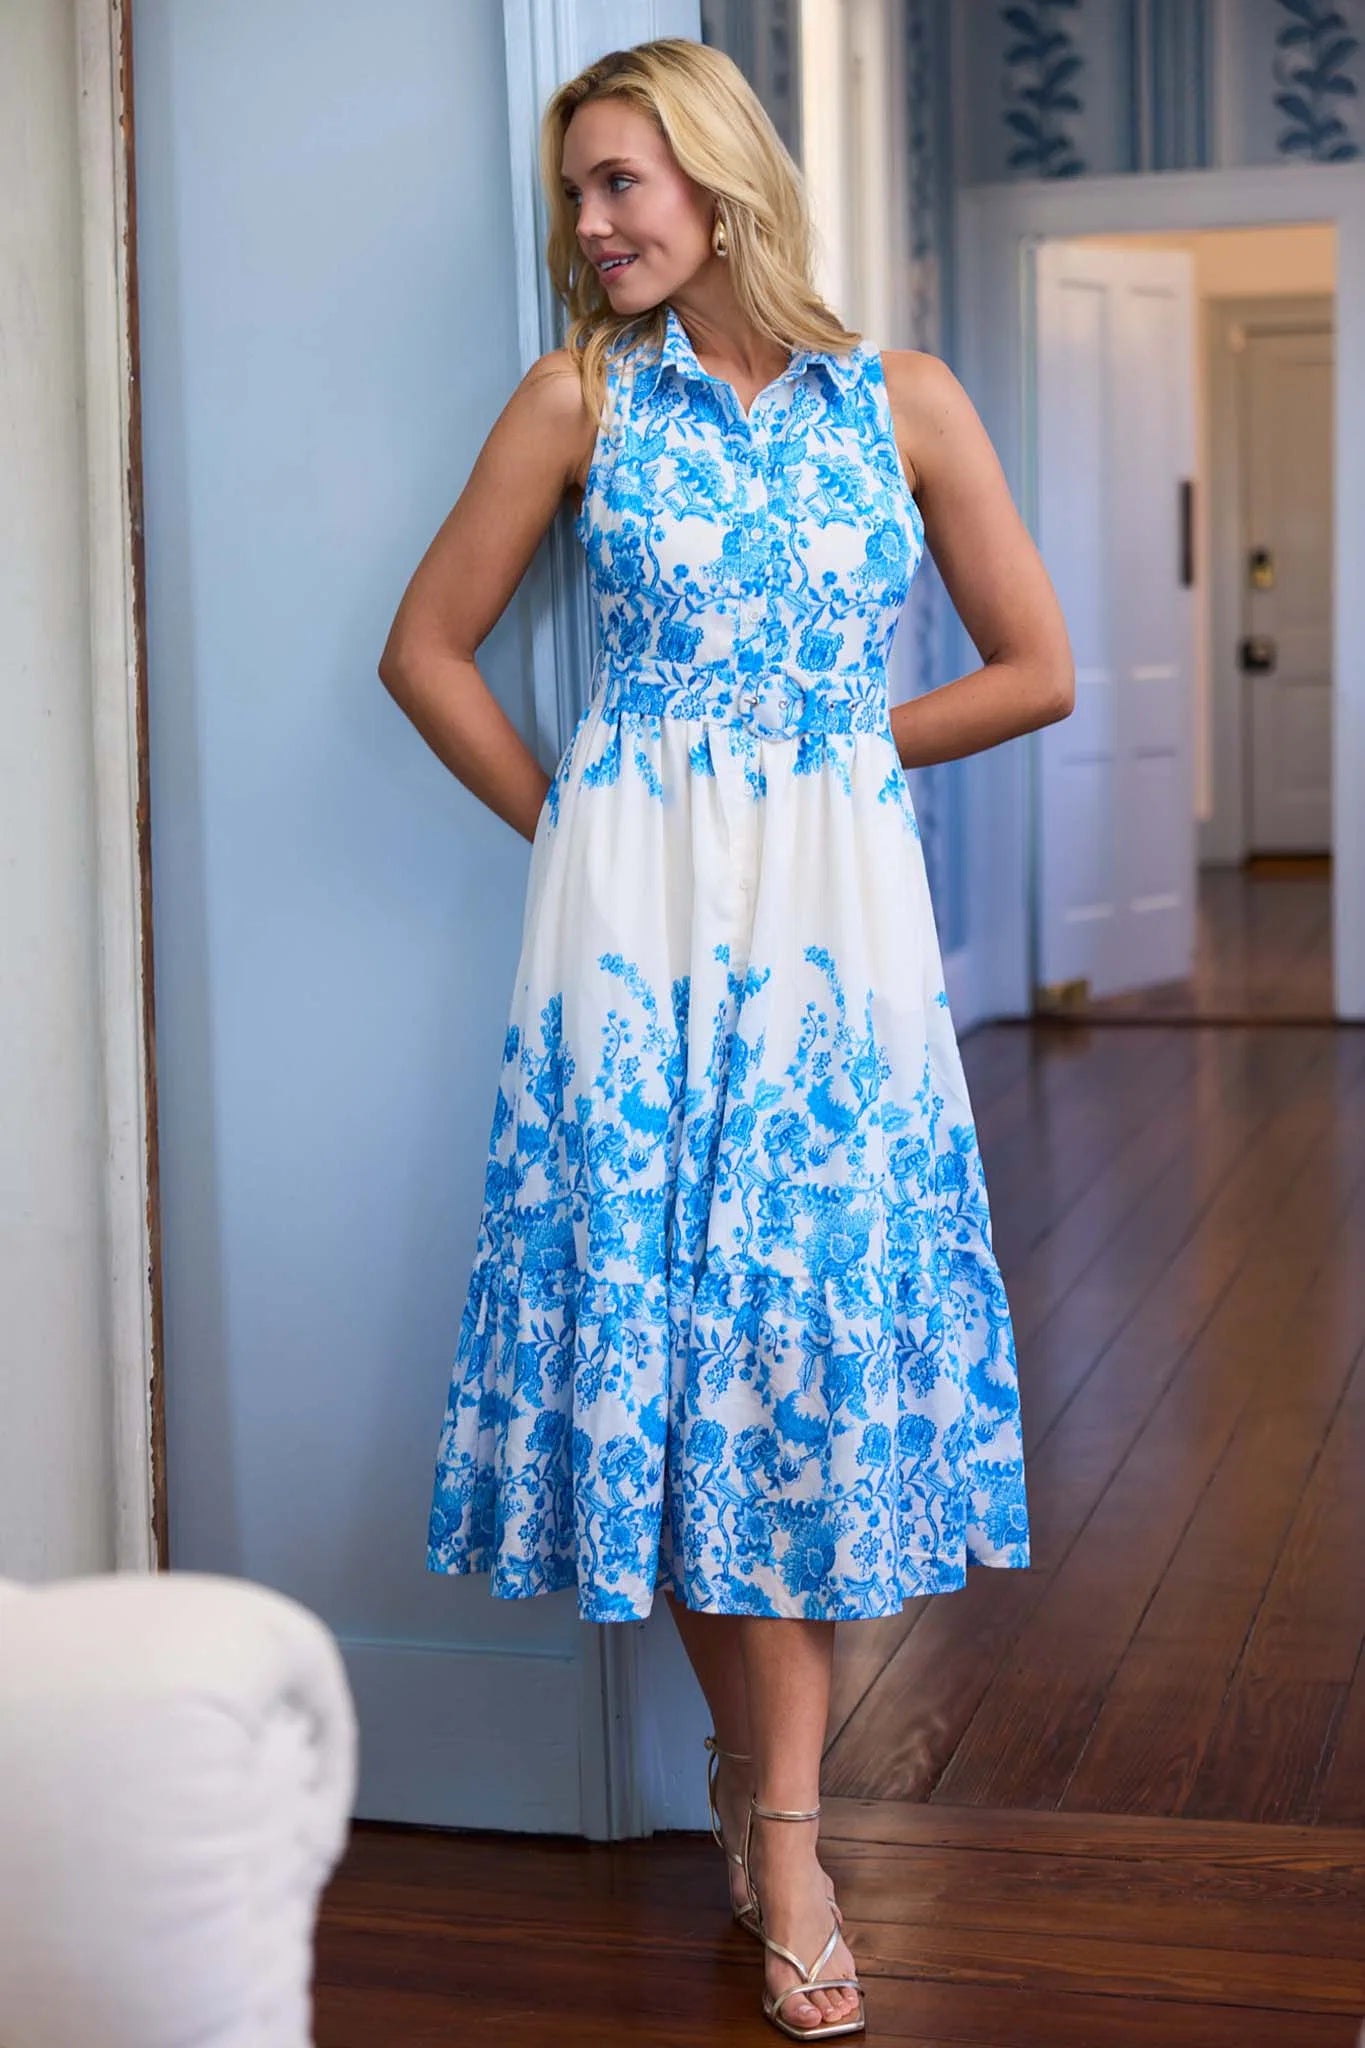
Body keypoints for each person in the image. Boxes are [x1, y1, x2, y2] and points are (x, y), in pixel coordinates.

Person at [378, 34, 1073, 2043]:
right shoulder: (576, 400)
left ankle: (773, 1815)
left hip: (838, 946)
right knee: (665, 1347)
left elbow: (1032, 667)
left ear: (718, 175)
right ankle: (782, 1828)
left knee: (796, 1348)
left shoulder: (904, 402)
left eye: (619, 181)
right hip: (630, 954)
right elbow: (424, 649)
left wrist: (837, 752)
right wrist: (583, 828)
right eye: (573, 194)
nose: (589, 224)